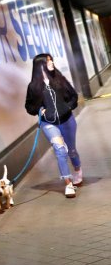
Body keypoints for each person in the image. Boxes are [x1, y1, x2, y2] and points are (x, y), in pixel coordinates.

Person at [24, 53, 83, 198]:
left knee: (72, 150)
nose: (52, 63)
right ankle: (68, 184)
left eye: (51, 60)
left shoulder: (59, 78)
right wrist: (39, 110)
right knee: (60, 151)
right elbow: (28, 107)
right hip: (49, 124)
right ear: (41, 65)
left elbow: (74, 96)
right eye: (49, 61)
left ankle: (77, 169)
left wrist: (68, 107)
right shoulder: (33, 87)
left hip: (67, 120)